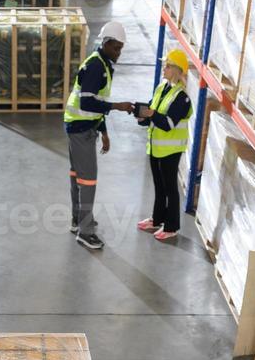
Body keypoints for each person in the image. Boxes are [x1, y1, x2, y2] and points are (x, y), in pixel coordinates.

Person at [64, 20, 134, 251]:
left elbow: (98, 101)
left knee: (77, 176)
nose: (119, 52)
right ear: (105, 43)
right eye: (116, 48)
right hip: (81, 128)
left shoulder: (102, 63)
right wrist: (118, 106)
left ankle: (78, 220)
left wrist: (103, 132)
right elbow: (88, 101)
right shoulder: (96, 66)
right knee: (88, 180)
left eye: (121, 48)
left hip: (82, 125)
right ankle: (85, 232)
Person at [135, 49, 193, 241]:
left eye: (167, 66)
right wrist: (141, 116)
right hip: (156, 147)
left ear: (176, 70)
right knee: (159, 186)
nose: (164, 68)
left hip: (171, 150)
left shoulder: (182, 98)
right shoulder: (162, 88)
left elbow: (168, 124)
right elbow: (153, 109)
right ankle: (157, 219)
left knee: (170, 188)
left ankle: (172, 226)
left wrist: (151, 114)